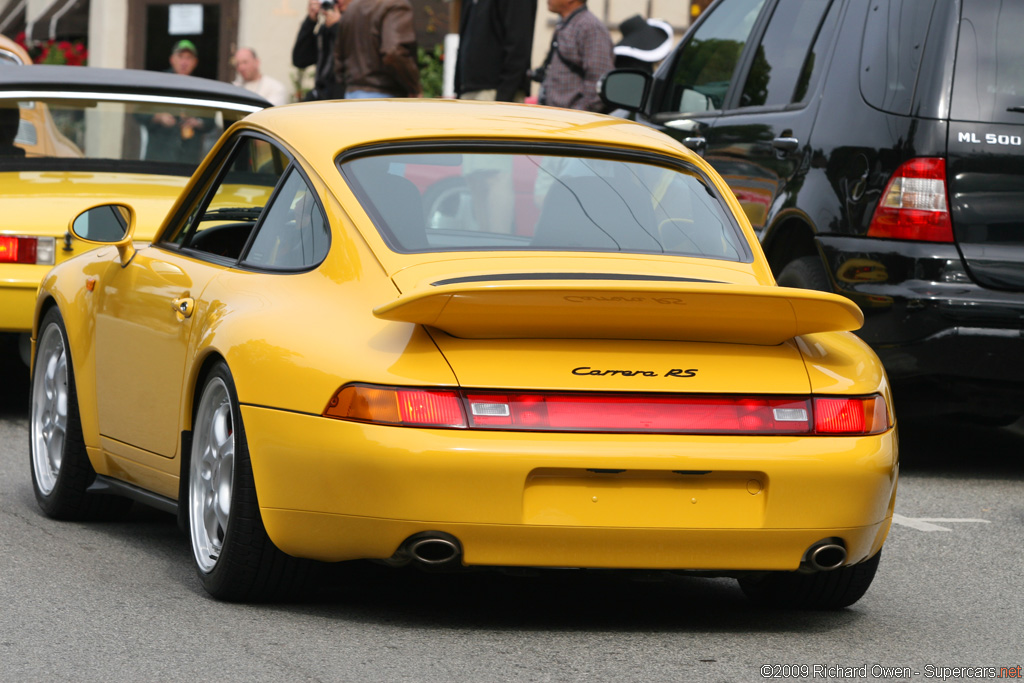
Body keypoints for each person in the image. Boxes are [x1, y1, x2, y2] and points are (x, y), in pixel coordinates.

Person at [534, 0, 614, 112]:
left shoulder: (590, 27)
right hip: (556, 116)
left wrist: (576, 115)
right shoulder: (567, 23)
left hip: (572, 121)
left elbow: (599, 83)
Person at [333, 0, 421, 99]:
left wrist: (346, 83)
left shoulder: (351, 8)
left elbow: (338, 55)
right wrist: (413, 87)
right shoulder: (396, 5)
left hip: (352, 94)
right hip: (384, 95)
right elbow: (394, 52)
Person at [455, 0, 537, 102]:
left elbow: (519, 45)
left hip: (495, 92)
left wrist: (503, 97)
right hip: (469, 90)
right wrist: (458, 88)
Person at [292, 0, 346, 100]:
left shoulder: (356, 23)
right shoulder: (325, 30)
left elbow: (348, 58)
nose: (338, 3)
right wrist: (310, 21)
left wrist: (337, 27)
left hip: (344, 98)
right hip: (322, 96)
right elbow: (300, 60)